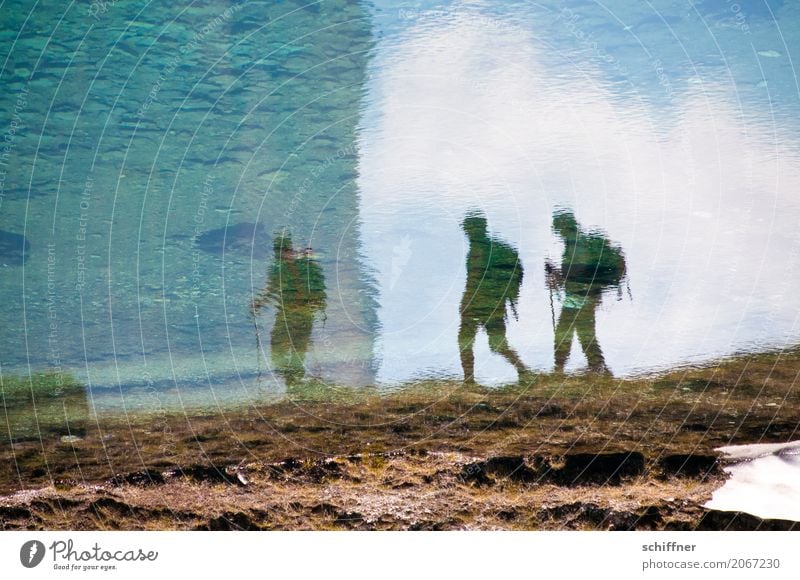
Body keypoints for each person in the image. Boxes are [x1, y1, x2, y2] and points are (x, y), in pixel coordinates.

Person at [545, 209, 626, 375]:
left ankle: (560, 368)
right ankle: (596, 366)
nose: (557, 231)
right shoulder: (578, 242)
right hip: (589, 295)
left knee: (565, 331)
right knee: (584, 331)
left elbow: (577, 273)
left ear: (562, 227)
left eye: (557, 227)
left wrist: (558, 277)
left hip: (580, 295)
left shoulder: (575, 244)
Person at [458, 213, 528, 383]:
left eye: (469, 229)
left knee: (469, 341)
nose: (468, 232)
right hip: (489, 303)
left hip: (480, 303)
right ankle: (523, 372)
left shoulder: (485, 250)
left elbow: (475, 281)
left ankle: (469, 380)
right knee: (495, 344)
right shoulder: (491, 249)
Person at [251, 232, 326, 390]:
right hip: (301, 315)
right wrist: (259, 302)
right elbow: (272, 289)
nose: (280, 257)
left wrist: (260, 302)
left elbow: (271, 289)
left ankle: (292, 381)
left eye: (281, 253)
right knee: (297, 348)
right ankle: (293, 382)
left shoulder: (290, 267)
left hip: (290, 316)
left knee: (284, 346)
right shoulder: (300, 264)